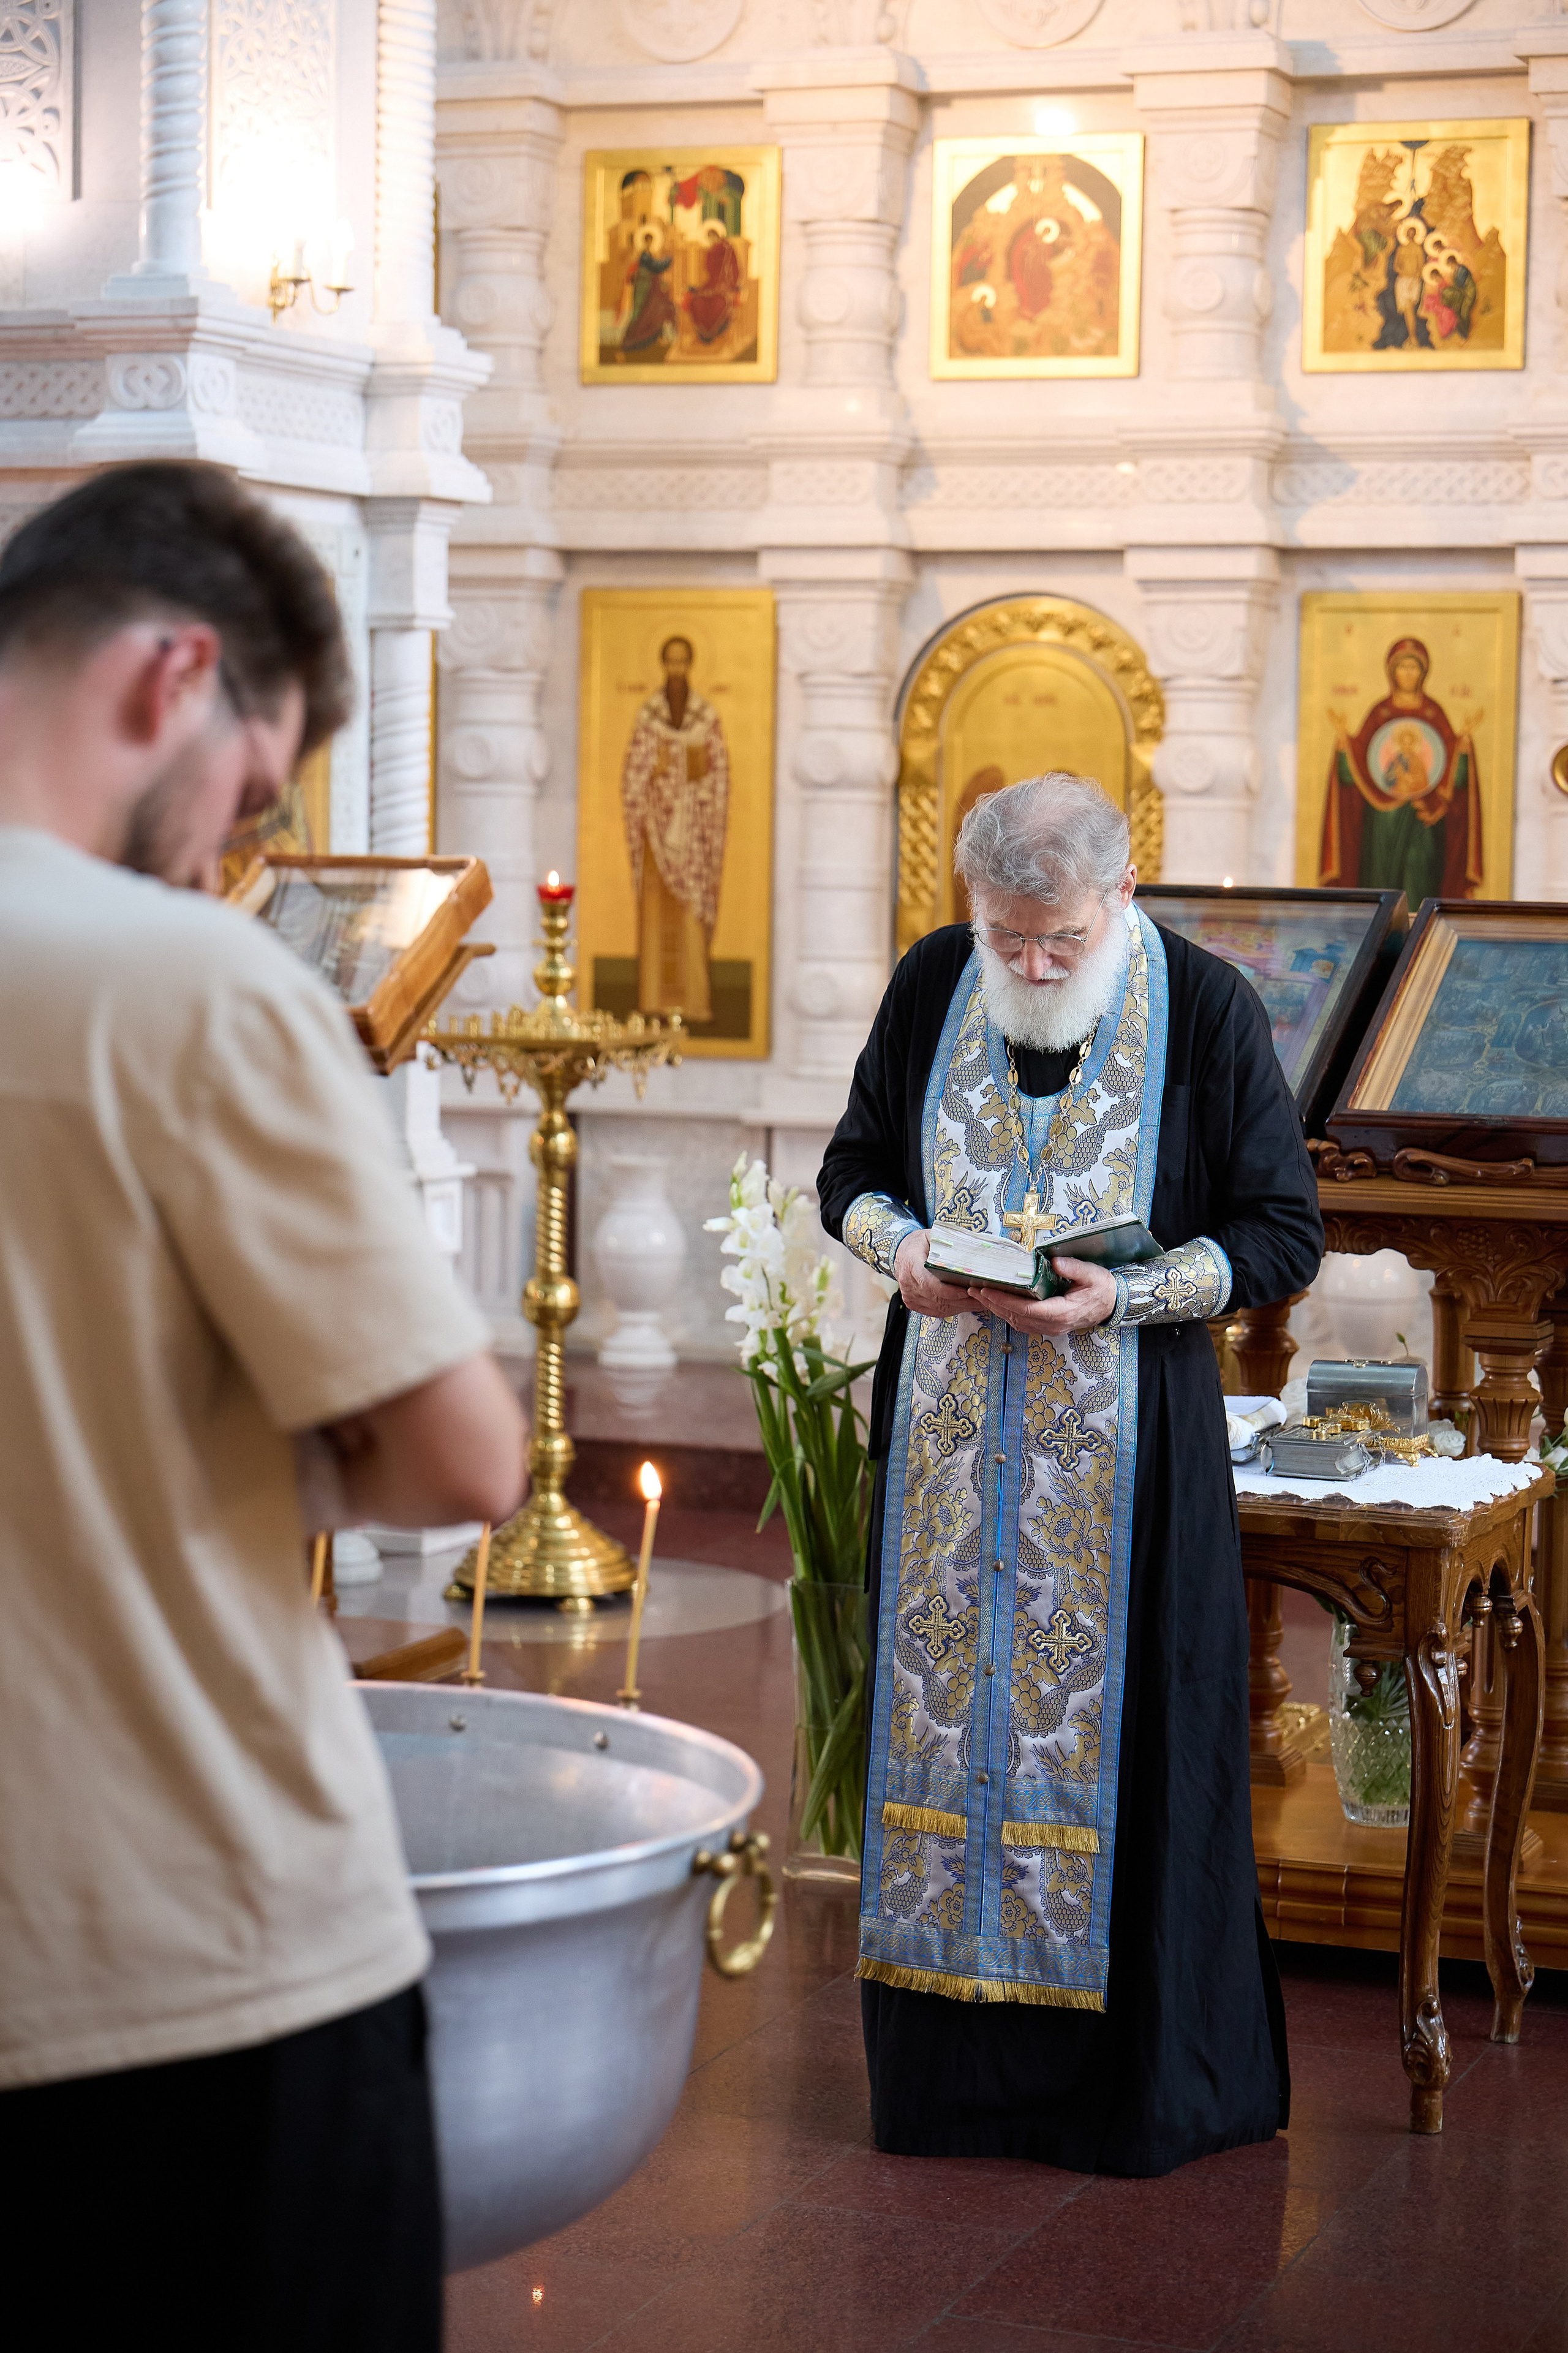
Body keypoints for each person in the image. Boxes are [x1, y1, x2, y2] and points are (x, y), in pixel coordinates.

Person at [0, 463, 529, 2346]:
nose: (227, 851)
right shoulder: (187, 982)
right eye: (251, 792)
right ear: (176, 676)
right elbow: (465, 1455)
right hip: (180, 1953)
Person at [817, 772, 1323, 2177]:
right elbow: (851, 1173)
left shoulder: (1207, 1009)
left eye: (1056, 939)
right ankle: (947, 2092)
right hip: (944, 1452)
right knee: (941, 1757)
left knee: (1128, 1754)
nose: (1030, 964)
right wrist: (900, 1251)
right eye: (1005, 936)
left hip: (1128, 1466)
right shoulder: (934, 982)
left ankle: (1120, 2099)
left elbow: (1280, 1232)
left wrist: (1121, 1299)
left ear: (1117, 898)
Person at [620, 631, 729, 1025]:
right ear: (664, 665)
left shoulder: (705, 717)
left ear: (691, 665)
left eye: (684, 661)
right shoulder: (649, 716)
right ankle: (651, 1002)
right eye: (671, 661)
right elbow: (634, 772)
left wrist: (693, 785)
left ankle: (696, 1002)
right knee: (654, 914)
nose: (677, 669)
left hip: (695, 835)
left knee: (690, 916)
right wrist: (657, 771)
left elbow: (719, 778)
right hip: (655, 832)